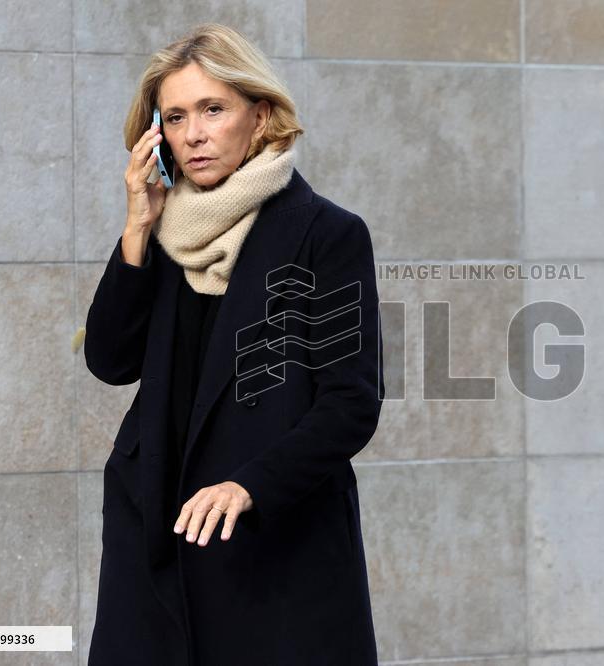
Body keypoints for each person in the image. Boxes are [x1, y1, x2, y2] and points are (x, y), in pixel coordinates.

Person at [83, 22, 385, 666]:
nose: (193, 133)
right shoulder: (163, 230)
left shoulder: (325, 235)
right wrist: (137, 227)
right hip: (156, 527)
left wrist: (250, 487)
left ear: (261, 115)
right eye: (174, 116)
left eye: (213, 109)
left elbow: (350, 403)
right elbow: (110, 362)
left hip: (271, 539)